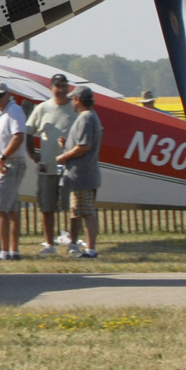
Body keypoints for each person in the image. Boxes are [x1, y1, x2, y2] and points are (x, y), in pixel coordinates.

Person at [25, 73, 77, 255]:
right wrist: (32, 154)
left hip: (71, 167)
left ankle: (73, 243)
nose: (62, 90)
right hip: (48, 166)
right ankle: (49, 244)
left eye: (64, 86)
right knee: (47, 207)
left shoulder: (75, 107)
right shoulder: (42, 108)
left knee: (73, 207)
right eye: (58, 86)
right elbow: (28, 131)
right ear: (51, 88)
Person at [55, 86, 102, 259]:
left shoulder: (85, 118)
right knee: (77, 210)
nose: (72, 103)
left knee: (87, 211)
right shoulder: (90, 117)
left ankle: (90, 249)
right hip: (83, 173)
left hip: (82, 173)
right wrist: (67, 144)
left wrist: (64, 156)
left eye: (73, 99)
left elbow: (83, 146)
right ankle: (76, 244)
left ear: (79, 100)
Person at [0, 82, 27, 260]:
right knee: (11, 209)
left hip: (9, 164)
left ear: (7, 95)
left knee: (0, 209)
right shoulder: (4, 113)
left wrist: (3, 156)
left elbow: (18, 137)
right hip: (8, 162)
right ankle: (13, 250)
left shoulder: (14, 111)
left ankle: (4, 251)